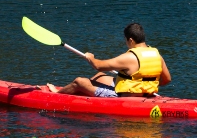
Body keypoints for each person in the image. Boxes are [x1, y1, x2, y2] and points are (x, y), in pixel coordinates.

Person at [43, 22, 172, 98]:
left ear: (131, 40)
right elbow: (167, 79)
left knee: (79, 81)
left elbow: (98, 65)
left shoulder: (129, 57)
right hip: (144, 93)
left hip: (125, 97)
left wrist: (91, 57)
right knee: (100, 76)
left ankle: (57, 94)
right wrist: (146, 87)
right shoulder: (157, 55)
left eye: (126, 40)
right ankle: (86, 95)